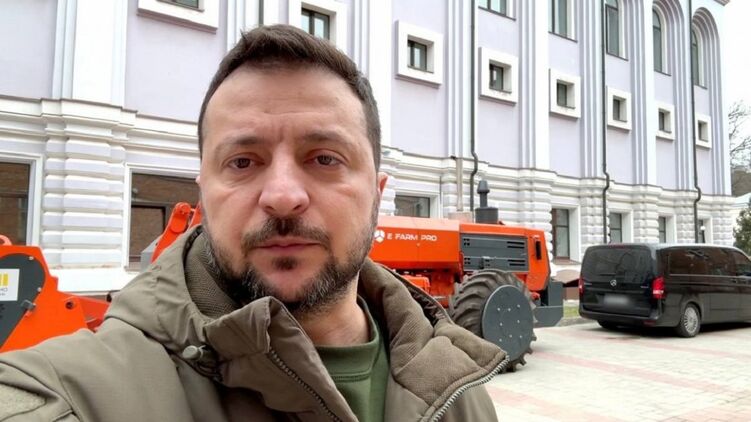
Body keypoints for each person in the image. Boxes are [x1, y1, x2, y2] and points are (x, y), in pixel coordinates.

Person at [0, 25, 505, 421]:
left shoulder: (459, 390)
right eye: (242, 162)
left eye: (324, 158)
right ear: (204, 190)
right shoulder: (69, 396)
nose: (282, 196)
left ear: (377, 192)